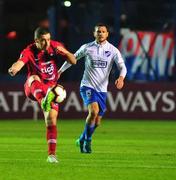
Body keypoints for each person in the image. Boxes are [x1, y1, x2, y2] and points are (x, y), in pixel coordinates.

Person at [8, 27, 77, 163]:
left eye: (48, 39)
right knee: (34, 77)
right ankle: (43, 100)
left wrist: (64, 52)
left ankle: (51, 155)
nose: (47, 43)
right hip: (33, 88)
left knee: (51, 121)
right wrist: (14, 68)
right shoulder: (29, 51)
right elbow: (19, 63)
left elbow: (73, 60)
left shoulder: (55, 46)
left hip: (50, 89)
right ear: (36, 41)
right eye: (43, 40)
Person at [58, 23, 127, 153]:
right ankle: (87, 142)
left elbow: (122, 67)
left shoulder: (113, 50)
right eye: (98, 31)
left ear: (107, 34)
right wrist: (60, 71)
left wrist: (121, 78)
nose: (100, 33)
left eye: (103, 31)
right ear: (94, 33)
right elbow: (72, 58)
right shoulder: (87, 47)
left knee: (97, 122)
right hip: (87, 86)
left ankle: (82, 138)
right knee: (93, 112)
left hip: (102, 89)